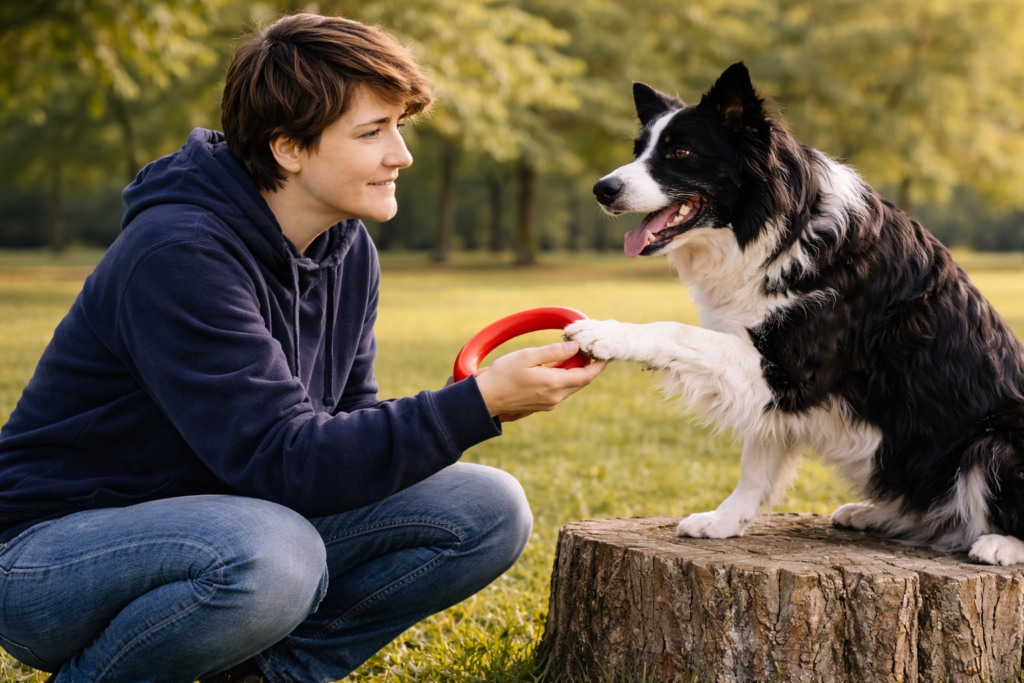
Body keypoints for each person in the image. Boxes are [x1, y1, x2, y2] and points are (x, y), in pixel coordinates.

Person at [0, 13, 606, 683]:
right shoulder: (178, 254)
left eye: (399, 126)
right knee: (276, 554)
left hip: (228, 521)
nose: (400, 154)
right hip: (50, 557)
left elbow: (342, 436)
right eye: (373, 132)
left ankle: (262, 676)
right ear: (288, 147)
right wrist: (476, 403)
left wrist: (479, 404)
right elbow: (282, 459)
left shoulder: (347, 250)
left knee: (485, 507)